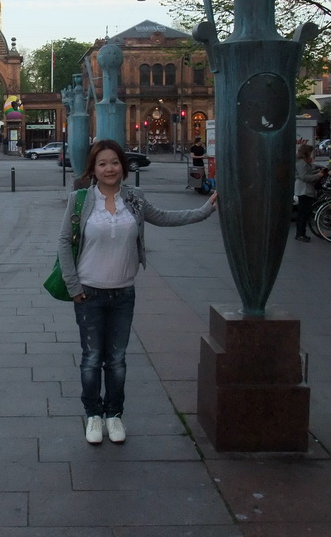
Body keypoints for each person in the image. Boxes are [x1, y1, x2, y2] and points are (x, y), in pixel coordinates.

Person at [56, 139, 218, 445]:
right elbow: (65, 241)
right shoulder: (79, 200)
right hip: (88, 293)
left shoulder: (135, 199)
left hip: (123, 294)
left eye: (114, 163)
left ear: (123, 166)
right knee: (92, 358)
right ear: (93, 168)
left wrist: (204, 210)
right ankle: (93, 416)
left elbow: (166, 217)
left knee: (116, 359)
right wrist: (74, 286)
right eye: (102, 163)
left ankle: (113, 415)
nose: (109, 169)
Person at [294, 143, 323, 242]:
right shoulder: (302, 162)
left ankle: (301, 233)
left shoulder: (301, 161)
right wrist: (317, 176)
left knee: (303, 212)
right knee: (303, 212)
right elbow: (304, 176)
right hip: (304, 189)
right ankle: (300, 234)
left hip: (304, 189)